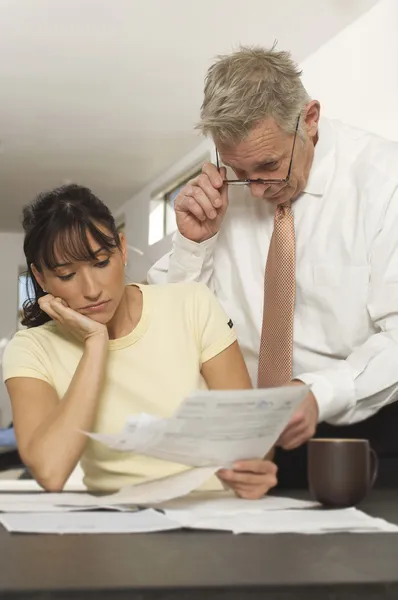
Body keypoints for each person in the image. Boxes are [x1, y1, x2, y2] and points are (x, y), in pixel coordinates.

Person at [148, 46, 398, 486]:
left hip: (361, 439)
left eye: (269, 166)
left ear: (311, 119)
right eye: (241, 171)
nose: (258, 191)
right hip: (243, 447)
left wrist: (320, 393)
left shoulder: (384, 182)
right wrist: (192, 244)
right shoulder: (222, 195)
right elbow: (172, 330)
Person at [2, 184, 277, 496]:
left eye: (101, 263)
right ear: (40, 278)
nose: (92, 289)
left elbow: (252, 440)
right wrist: (95, 344)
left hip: (212, 510)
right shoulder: (30, 350)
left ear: (121, 248)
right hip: (116, 525)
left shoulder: (191, 303)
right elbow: (50, 472)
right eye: (67, 275)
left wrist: (253, 471)